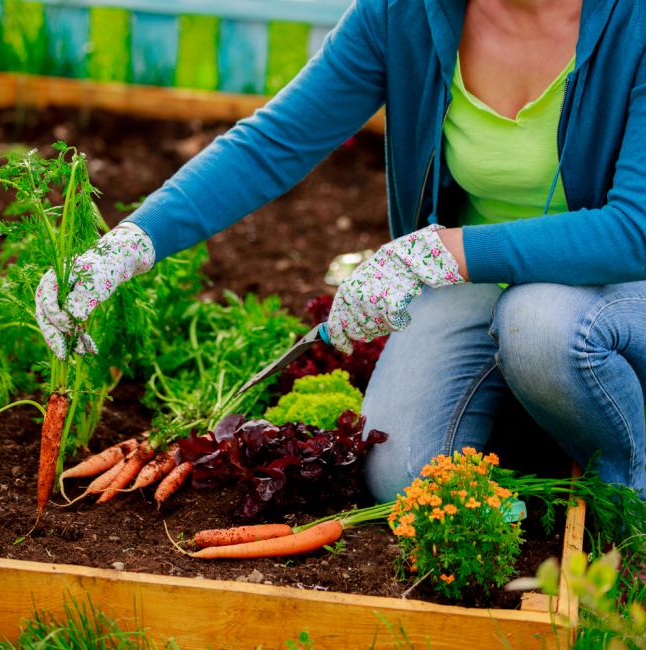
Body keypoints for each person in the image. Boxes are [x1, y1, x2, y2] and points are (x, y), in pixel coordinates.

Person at [35, 0, 646, 502]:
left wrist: (435, 252)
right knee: (404, 478)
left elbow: (633, 230)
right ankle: (543, 415)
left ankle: (627, 485)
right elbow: (273, 142)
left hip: (614, 281)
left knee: (538, 324)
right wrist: (129, 244)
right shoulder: (405, 13)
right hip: (473, 275)